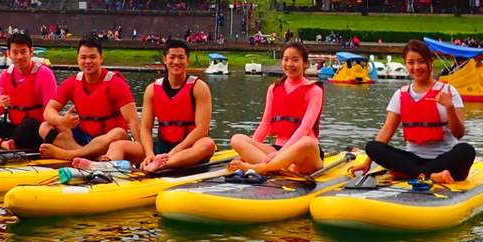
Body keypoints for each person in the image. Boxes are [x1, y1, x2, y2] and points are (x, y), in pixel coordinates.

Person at [363, 39, 476, 185]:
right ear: (406, 65)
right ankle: (430, 175)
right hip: (413, 158)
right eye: (411, 63)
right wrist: (368, 161)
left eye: (421, 61)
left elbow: (459, 133)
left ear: (431, 62)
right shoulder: (400, 94)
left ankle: (414, 173)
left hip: (445, 159)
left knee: (466, 150)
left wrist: (449, 108)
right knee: (372, 147)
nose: (416, 67)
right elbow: (387, 131)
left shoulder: (449, 92)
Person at [103, 39, 217, 172]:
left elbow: (202, 129)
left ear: (188, 61)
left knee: (208, 144)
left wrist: (173, 153)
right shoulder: (152, 89)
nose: (176, 62)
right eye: (172, 57)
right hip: (162, 147)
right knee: (118, 146)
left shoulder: (199, 88)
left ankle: (163, 165)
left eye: (181, 57)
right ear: (165, 60)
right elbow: (145, 128)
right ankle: (103, 169)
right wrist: (149, 153)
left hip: (188, 148)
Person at [38, 37, 139, 161]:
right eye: (83, 57)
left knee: (118, 132)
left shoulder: (116, 83)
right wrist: (62, 120)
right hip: (83, 138)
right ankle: (88, 156)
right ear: (78, 59)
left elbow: (132, 121)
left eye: (92, 57)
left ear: (101, 58)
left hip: (108, 140)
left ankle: (69, 155)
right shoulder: (72, 83)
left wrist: (140, 149)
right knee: (45, 127)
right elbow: (48, 111)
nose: (88, 61)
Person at [230, 42, 324, 175]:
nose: (289, 64)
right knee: (237, 139)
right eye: (286, 59)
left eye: (295, 60)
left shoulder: (314, 91)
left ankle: (262, 168)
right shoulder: (273, 89)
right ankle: (278, 168)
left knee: (307, 142)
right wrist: (246, 152)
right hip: (277, 150)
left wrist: (281, 153)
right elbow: (265, 124)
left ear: (305, 64)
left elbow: (305, 128)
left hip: (304, 153)